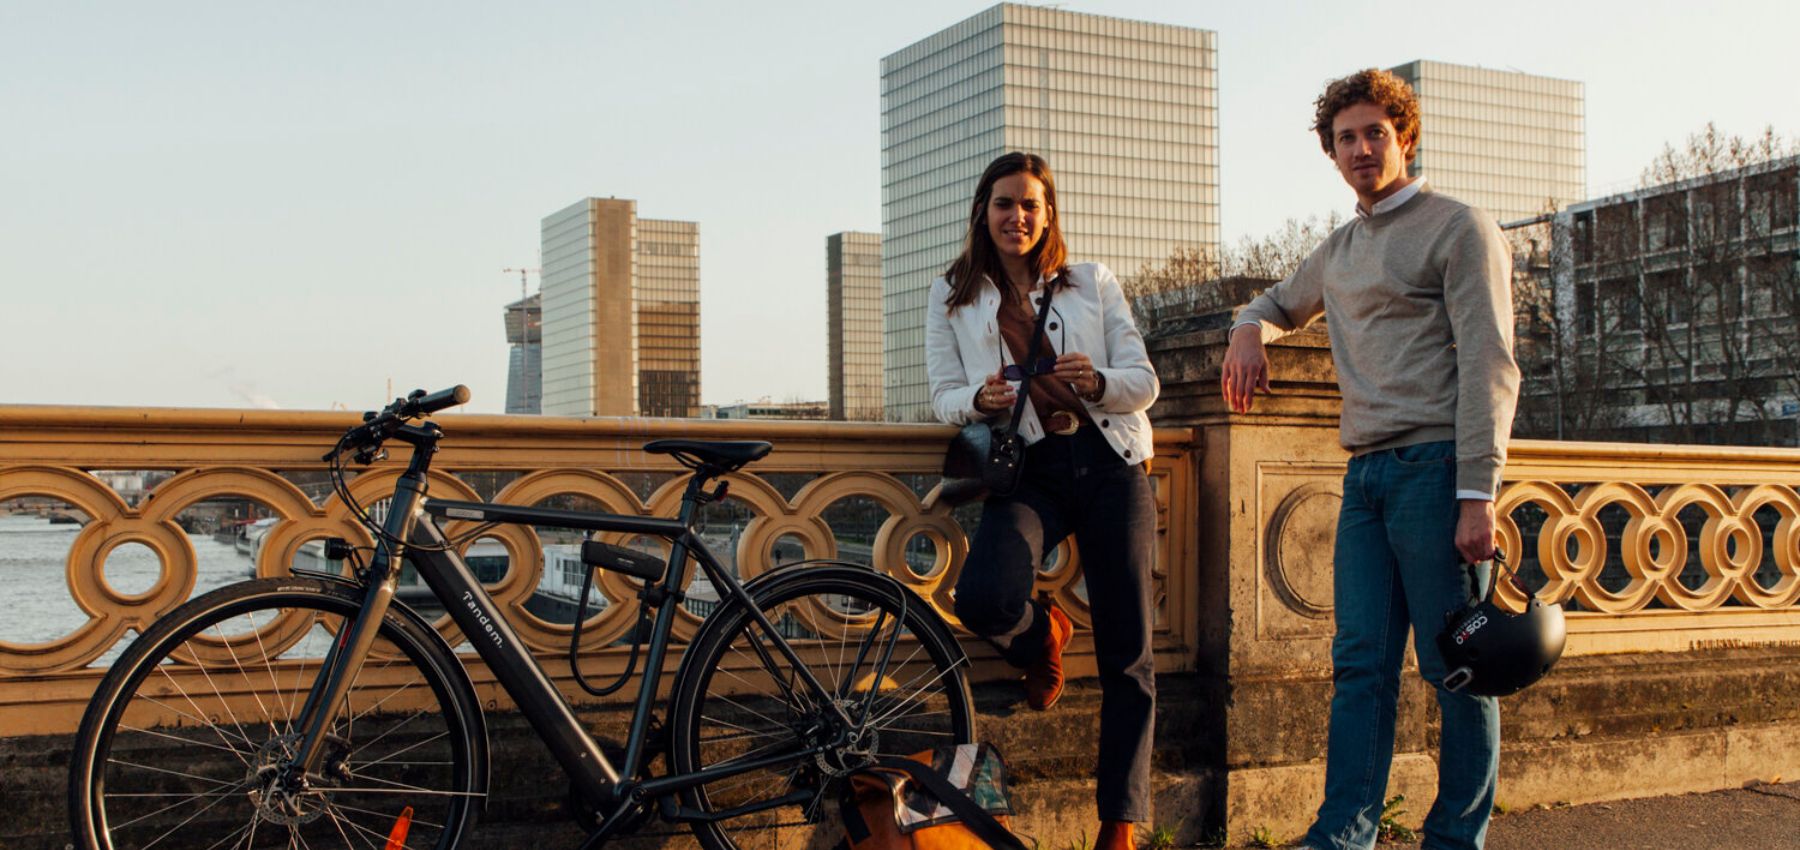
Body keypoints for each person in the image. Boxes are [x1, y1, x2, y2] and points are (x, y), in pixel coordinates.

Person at [1221, 69, 1519, 850]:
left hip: (1438, 470)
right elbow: (1273, 303)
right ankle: (1343, 833)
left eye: (1375, 133)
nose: (1361, 148)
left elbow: (1490, 363)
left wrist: (1477, 493)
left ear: (1405, 137)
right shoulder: (1342, 247)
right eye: (1346, 137)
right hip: (1366, 480)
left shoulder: (1458, 227)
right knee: (1359, 667)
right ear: (1331, 151)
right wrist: (1247, 330)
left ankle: (1455, 838)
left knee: (1459, 671)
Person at [926, 151, 1160, 849]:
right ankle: (1043, 634)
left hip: (1112, 461)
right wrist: (979, 397)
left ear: (1048, 213)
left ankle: (1119, 824)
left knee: (1129, 654)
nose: (1017, 217)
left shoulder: (1091, 283)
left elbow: (1143, 381)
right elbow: (941, 395)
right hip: (1027, 467)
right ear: (983, 211)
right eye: (1005, 203)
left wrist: (1097, 383)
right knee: (985, 598)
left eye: (1031, 205)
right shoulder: (951, 295)